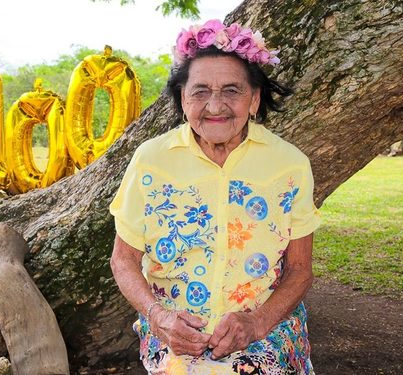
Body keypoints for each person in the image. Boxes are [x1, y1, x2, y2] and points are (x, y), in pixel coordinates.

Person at [109, 19, 322, 374]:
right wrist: (159, 318)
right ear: (182, 98)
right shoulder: (151, 160)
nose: (215, 105)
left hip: (266, 326)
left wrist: (257, 323)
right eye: (201, 91)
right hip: (173, 329)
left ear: (254, 99)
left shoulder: (290, 165)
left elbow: (300, 270)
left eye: (232, 91)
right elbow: (123, 260)